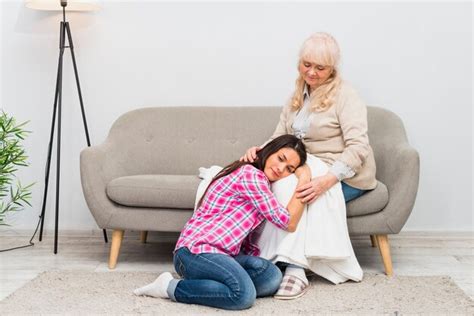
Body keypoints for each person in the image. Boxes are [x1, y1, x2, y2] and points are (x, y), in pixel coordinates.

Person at [241, 32, 377, 299]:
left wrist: (326, 181)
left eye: (320, 67)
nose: (312, 72)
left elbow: (358, 147)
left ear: (332, 69)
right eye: (307, 64)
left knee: (302, 194)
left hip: (343, 174)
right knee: (281, 188)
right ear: (299, 63)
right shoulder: (296, 95)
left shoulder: (346, 96)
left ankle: (296, 269)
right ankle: (266, 259)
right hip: (305, 166)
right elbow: (279, 137)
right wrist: (259, 151)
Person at [134, 134, 311, 310]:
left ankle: (211, 284)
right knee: (243, 296)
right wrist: (304, 178)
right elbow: (287, 222)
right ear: (270, 151)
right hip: (195, 252)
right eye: (280, 159)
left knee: (271, 277)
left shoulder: (262, 181)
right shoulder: (251, 174)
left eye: (289, 169)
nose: (281, 169)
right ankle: (168, 287)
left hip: (225, 255)